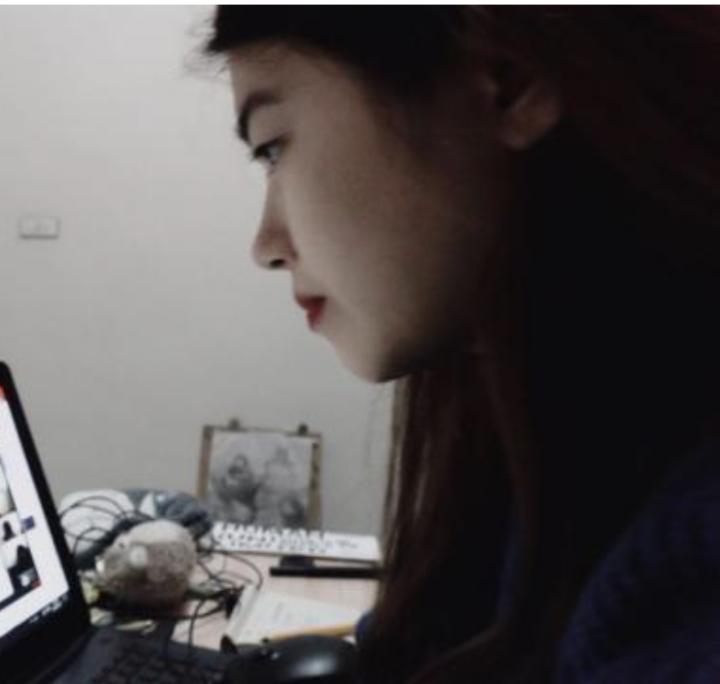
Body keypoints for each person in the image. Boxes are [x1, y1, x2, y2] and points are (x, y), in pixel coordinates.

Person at [203, 7, 720, 683]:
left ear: (508, 81)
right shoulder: (569, 429)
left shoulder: (691, 597)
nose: (265, 246)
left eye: (273, 147)